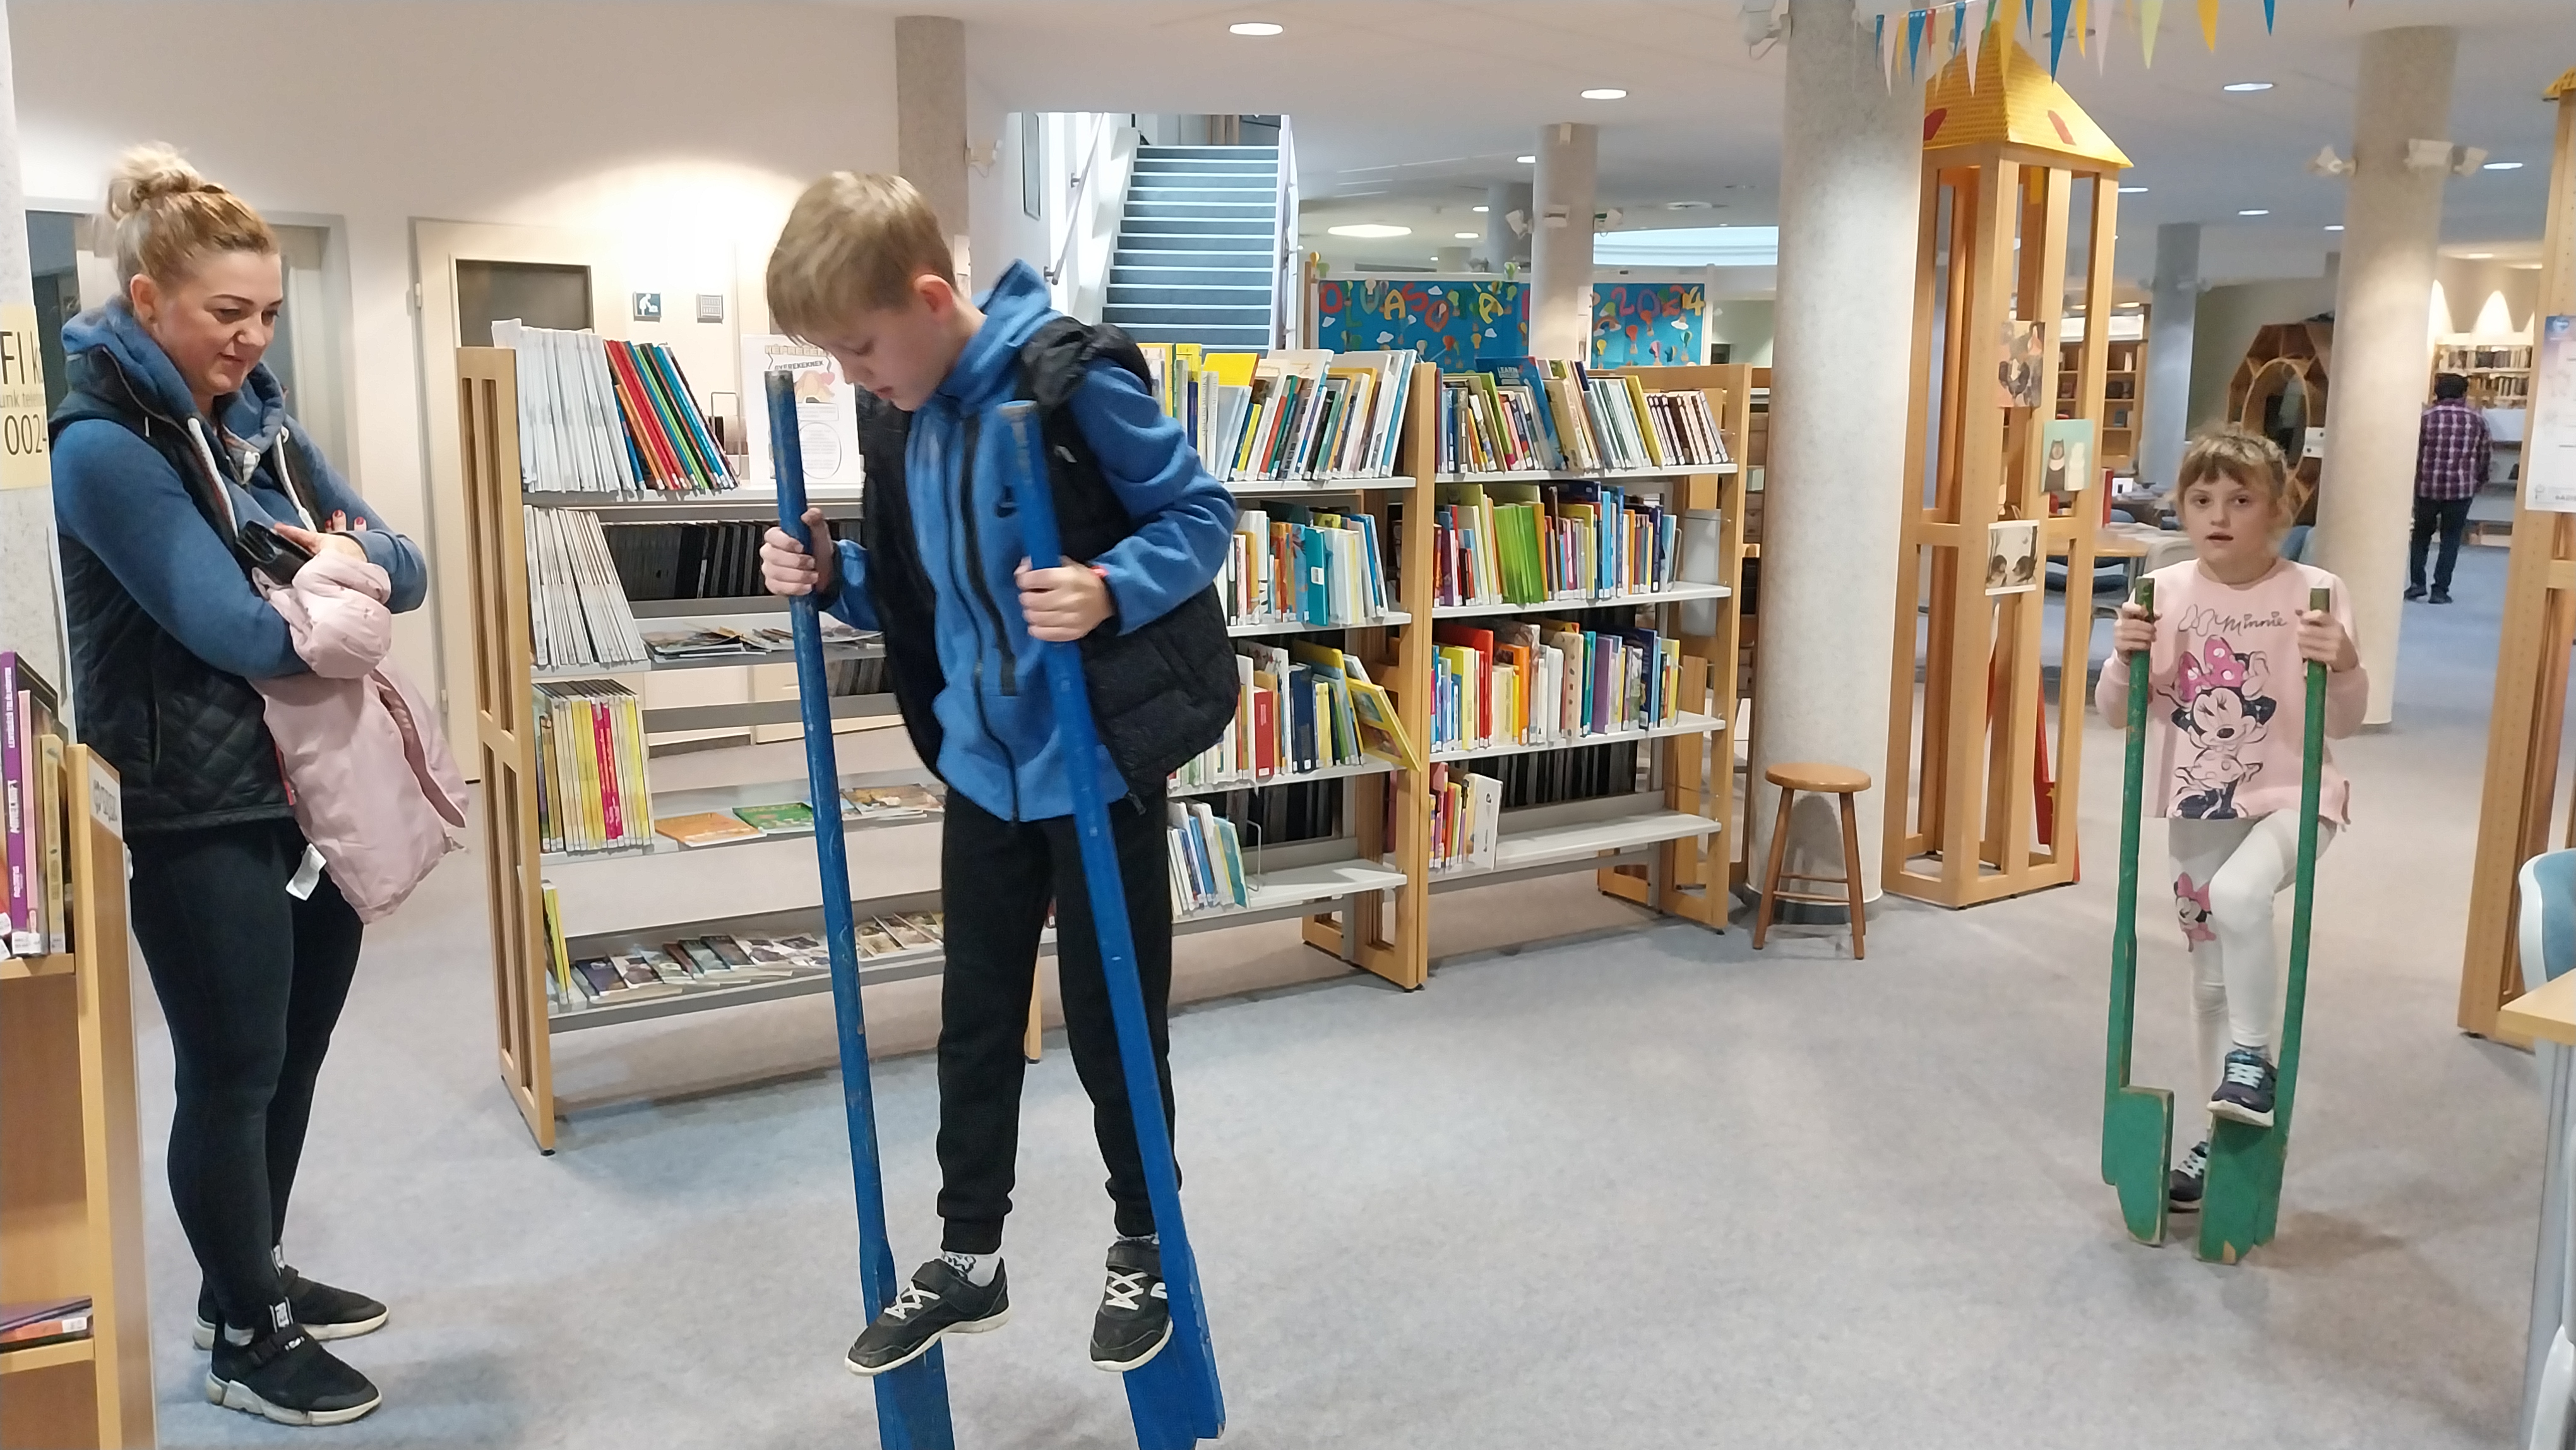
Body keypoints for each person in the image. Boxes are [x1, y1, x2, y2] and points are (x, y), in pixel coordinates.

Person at [756, 173, 1237, 1378]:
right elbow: (923, 596)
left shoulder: (1072, 383)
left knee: (1113, 1020)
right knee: (974, 1018)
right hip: (983, 764)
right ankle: (969, 1256)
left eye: (862, 346)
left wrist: (1108, 586)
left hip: (1094, 762)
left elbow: (1201, 516)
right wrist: (831, 578)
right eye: (834, 356)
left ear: (931, 298)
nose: (854, 375)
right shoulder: (904, 417)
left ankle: (1146, 1241)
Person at [49, 145, 422, 1427]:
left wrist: (343, 574)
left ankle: (245, 1275)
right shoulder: (103, 447)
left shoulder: (256, 422)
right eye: (227, 313)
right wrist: (335, 572)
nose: (252, 338)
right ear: (150, 301)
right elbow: (238, 630)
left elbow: (406, 563)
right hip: (195, 801)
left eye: (267, 312)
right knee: (233, 1066)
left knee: (293, 1053)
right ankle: (245, 1340)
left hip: (305, 788)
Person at [2098, 427, 2366, 1215]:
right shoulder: (2163, 590)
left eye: (2241, 499)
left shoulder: (2315, 590)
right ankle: (2220, 1134)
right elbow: (2119, 713)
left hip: (2295, 795)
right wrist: (2122, 656)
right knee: (2210, 979)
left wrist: (2345, 662)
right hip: (2198, 804)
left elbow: (2343, 723)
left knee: (2241, 897)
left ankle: (2253, 1059)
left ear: (2278, 509)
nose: (2218, 515)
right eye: (2202, 498)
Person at [2409, 371, 2490, 604]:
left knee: (2421, 536)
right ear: (2464, 393)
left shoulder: (2425, 418)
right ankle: (2440, 590)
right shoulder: (2477, 419)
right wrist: (2479, 480)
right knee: (2451, 539)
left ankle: (2417, 584)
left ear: (2437, 392)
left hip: (2427, 487)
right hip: (2461, 489)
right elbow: (2484, 454)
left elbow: (2414, 452)